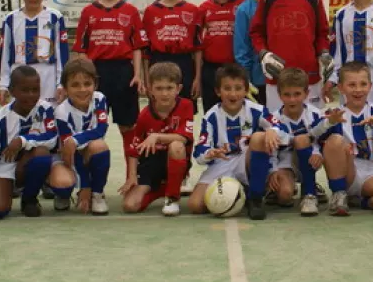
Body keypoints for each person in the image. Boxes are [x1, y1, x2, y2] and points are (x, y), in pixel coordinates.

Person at [73, 0, 147, 172]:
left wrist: (137, 74)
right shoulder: (88, 12)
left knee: (128, 127)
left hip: (124, 73)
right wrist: (85, 78)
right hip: (96, 74)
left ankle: (132, 176)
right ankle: (93, 184)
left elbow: (136, 46)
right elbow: (81, 49)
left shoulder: (131, 12)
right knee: (94, 128)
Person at [190, 64, 289, 221]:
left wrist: (272, 130)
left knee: (257, 137)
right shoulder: (211, 116)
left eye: (238, 88)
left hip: (247, 161)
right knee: (195, 205)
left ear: (246, 90)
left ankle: (255, 198)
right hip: (222, 164)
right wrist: (210, 153)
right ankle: (241, 191)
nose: (233, 94)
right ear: (217, 91)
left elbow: (284, 131)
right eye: (227, 88)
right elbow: (199, 152)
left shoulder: (256, 110)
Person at [0, 66, 71, 218]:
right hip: (4, 167)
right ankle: (9, 189)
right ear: (12, 91)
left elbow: (52, 138)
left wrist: (22, 141)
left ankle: (29, 199)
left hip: (29, 162)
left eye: (35, 90)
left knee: (42, 153)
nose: (31, 95)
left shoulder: (45, 109)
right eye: (25, 90)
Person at [249, 0, 331, 111]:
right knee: (278, 129)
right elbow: (256, 33)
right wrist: (264, 53)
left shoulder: (313, 0)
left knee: (312, 128)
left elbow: (322, 33)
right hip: (277, 77)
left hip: (310, 76)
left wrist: (323, 52)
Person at [320, 61, 373, 217]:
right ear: (341, 87)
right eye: (351, 85)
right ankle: (339, 193)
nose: (358, 90)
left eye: (363, 84)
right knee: (334, 141)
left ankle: (360, 201)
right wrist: (329, 122)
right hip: (347, 170)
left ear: (370, 86)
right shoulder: (335, 112)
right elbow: (314, 136)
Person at [119, 62, 194, 217]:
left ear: (178, 89)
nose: (164, 93)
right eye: (159, 88)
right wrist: (132, 176)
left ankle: (172, 197)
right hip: (150, 165)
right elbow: (133, 150)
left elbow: (185, 138)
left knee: (177, 145)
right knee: (130, 206)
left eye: (169, 88)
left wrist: (157, 136)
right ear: (150, 90)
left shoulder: (186, 106)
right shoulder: (145, 115)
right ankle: (160, 190)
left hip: (174, 159)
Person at [0, 0, 69, 107]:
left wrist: (61, 82)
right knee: (22, 116)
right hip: (19, 74)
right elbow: (4, 54)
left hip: (47, 75)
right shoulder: (10, 19)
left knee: (49, 118)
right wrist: (3, 84)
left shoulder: (55, 17)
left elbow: (62, 54)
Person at [53, 59, 113, 216]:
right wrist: (84, 186)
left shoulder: (99, 99)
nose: (82, 89)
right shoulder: (61, 113)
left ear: (95, 85)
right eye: (75, 85)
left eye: (87, 84)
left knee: (99, 146)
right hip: (68, 157)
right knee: (62, 184)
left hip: (87, 150)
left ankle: (98, 194)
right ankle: (63, 195)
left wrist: (75, 139)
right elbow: (70, 153)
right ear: (65, 89)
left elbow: (101, 129)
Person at [141, 0, 202, 107]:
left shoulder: (193, 11)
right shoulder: (150, 12)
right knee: (159, 111)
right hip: (158, 62)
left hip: (185, 65)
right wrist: (146, 79)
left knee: (184, 110)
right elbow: (145, 50)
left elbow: (198, 48)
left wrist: (198, 78)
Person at [270, 68, 329, 217]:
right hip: (285, 163)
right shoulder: (273, 119)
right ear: (279, 95)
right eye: (287, 95)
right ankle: (282, 186)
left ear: (306, 94)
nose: (292, 99)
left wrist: (317, 153)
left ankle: (309, 193)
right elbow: (272, 150)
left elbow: (321, 139)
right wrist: (273, 170)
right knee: (285, 196)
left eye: (297, 94)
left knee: (302, 140)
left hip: (309, 158)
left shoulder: (315, 114)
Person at [198, 0, 247, 111]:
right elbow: (197, 44)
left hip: (238, 69)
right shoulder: (204, 8)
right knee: (212, 113)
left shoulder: (245, 4)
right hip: (211, 70)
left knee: (240, 114)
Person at [234, 0, 275, 106]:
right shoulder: (244, 10)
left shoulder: (283, 4)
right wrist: (246, 81)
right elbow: (241, 52)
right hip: (258, 83)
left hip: (286, 81)